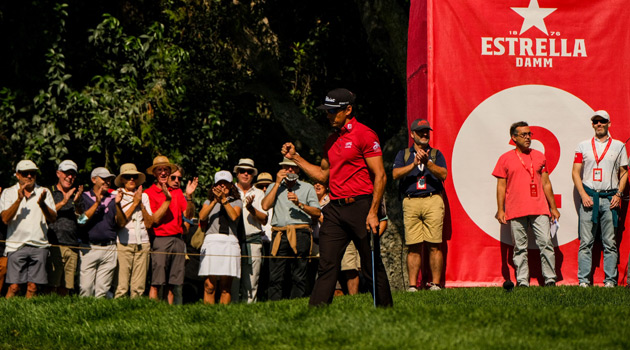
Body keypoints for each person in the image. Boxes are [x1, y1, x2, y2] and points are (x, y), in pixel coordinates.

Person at [281, 88, 393, 307]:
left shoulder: (365, 134)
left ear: (348, 110)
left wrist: (374, 212)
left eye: (333, 111)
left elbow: (380, 175)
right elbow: (322, 175)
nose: (328, 115)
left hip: (361, 205)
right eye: (327, 111)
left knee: (371, 264)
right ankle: (317, 312)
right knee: (327, 264)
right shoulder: (331, 140)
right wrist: (295, 157)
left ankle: (386, 310)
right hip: (335, 208)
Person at [493, 121, 560, 287]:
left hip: (539, 207)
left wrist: (553, 207)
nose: (528, 137)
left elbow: (546, 183)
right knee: (519, 247)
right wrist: (500, 209)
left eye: (529, 134)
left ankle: (550, 279)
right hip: (516, 209)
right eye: (523, 135)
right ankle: (523, 281)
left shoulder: (539, 156)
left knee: (546, 243)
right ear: (513, 138)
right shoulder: (505, 158)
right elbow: (501, 186)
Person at [572, 111, 628, 288]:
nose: (599, 124)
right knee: (586, 242)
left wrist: (618, 194)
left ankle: (610, 281)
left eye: (602, 121)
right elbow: (575, 172)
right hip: (589, 197)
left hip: (609, 198)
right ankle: (583, 281)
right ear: (592, 125)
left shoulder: (619, 146)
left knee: (610, 242)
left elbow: (624, 172)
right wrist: (583, 194)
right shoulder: (583, 146)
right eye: (595, 121)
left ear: (609, 124)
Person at [392, 118, 447, 291]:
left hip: (433, 199)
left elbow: (444, 174)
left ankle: (435, 285)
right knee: (413, 245)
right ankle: (412, 286)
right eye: (420, 131)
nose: (424, 134)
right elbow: (395, 174)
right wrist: (414, 165)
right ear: (412, 134)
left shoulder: (435, 154)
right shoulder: (404, 154)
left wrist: (428, 164)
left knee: (434, 244)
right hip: (411, 201)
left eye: (427, 131)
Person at [261, 157, 320, 300]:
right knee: (275, 274)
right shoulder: (274, 186)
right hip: (279, 233)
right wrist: (276, 184)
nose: (290, 170)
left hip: (301, 233)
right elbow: (264, 206)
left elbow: (317, 212)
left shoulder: (307, 188)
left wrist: (300, 204)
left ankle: (296, 303)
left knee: (299, 274)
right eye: (286, 167)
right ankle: (274, 306)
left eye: (293, 167)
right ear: (281, 169)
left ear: (299, 169)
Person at [145, 155, 198, 304]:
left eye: (166, 170)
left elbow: (188, 214)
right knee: (156, 281)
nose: (163, 173)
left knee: (173, 283)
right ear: (154, 173)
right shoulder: (149, 193)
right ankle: (151, 311)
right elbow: (154, 219)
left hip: (178, 239)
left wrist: (189, 196)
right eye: (160, 170)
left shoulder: (176, 192)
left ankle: (170, 314)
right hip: (160, 239)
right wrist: (167, 200)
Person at [0, 160, 56, 298]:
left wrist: (42, 204)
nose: (30, 176)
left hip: (39, 245)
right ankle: (8, 315)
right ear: (18, 175)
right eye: (26, 173)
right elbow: (5, 218)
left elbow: (53, 218)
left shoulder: (44, 192)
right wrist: (18, 200)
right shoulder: (8, 192)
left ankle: (29, 317)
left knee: (33, 287)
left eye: (33, 173)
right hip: (15, 245)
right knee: (14, 287)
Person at [79, 167, 126, 297]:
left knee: (102, 290)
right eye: (103, 179)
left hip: (109, 248)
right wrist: (96, 204)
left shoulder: (113, 198)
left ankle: (98, 316)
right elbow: (80, 221)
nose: (107, 182)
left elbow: (121, 223)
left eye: (109, 179)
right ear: (93, 180)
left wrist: (117, 204)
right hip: (88, 248)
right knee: (86, 288)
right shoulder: (84, 197)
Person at [198, 171, 242, 304]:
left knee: (225, 287)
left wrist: (223, 200)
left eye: (225, 184)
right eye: (219, 184)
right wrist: (214, 202)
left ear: (231, 186)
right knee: (209, 286)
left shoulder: (237, 202)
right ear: (214, 186)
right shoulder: (208, 202)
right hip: (211, 242)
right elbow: (202, 216)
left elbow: (234, 216)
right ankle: (208, 314)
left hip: (229, 242)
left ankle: (223, 316)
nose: (222, 187)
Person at [113, 163, 153, 298]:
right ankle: (118, 311)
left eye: (134, 177)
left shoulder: (144, 196)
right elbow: (120, 222)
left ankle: (136, 313)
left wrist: (140, 203)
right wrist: (134, 203)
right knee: (122, 285)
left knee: (139, 286)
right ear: (122, 180)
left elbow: (149, 223)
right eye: (128, 177)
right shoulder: (116, 195)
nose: (131, 180)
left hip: (143, 241)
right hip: (124, 242)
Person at [233, 158, 268, 303]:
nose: (245, 174)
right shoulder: (229, 190)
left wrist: (251, 209)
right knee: (233, 282)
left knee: (252, 283)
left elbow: (264, 219)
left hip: (253, 241)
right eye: (242, 171)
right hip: (233, 241)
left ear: (253, 175)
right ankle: (230, 312)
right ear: (237, 173)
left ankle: (249, 313)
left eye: (249, 172)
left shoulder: (259, 193)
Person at [47, 159, 83, 295]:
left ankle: (62, 313)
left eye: (72, 174)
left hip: (72, 245)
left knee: (66, 286)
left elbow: (83, 220)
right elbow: (45, 213)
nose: (69, 177)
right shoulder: (49, 192)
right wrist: (64, 201)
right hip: (54, 244)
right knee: (52, 284)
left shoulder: (77, 195)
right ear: (58, 173)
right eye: (66, 173)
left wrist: (78, 204)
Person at [254, 172, 274, 300]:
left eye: (267, 186)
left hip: (272, 241)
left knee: (272, 273)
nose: (265, 189)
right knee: (257, 274)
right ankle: (259, 297)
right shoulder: (254, 200)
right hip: (258, 240)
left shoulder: (276, 200)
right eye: (262, 186)